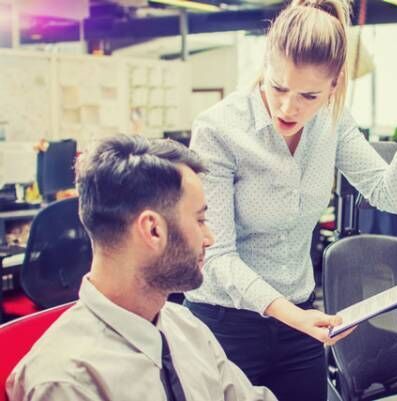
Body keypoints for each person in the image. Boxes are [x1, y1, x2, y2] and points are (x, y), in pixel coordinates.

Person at [185, 0, 397, 399]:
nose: (288, 107)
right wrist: (292, 315)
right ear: (265, 66)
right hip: (226, 324)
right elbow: (216, 256)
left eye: (309, 95)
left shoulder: (333, 121)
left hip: (300, 321)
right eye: (278, 87)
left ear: (334, 85)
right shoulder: (219, 129)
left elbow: (391, 197)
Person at [7, 135, 277, 401]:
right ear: (153, 230)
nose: (210, 238)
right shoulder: (67, 382)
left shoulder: (185, 327)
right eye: (200, 220)